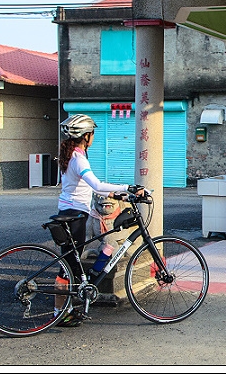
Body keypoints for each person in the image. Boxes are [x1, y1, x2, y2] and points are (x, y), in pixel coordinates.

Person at [53, 113, 143, 327]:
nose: (93, 137)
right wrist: (127, 187)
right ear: (86, 136)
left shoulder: (73, 154)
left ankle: (65, 309)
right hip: (73, 216)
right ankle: (58, 312)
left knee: (71, 265)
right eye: (92, 134)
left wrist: (115, 195)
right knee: (67, 267)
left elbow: (82, 187)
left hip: (72, 211)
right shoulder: (78, 158)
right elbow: (95, 184)